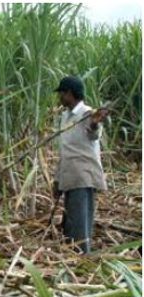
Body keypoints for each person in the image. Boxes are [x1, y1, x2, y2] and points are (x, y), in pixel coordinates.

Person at [53, 76, 109, 254]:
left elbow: (93, 133)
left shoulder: (88, 114)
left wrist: (94, 124)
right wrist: (57, 179)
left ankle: (82, 259)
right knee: (70, 223)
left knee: (79, 225)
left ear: (69, 93)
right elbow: (65, 150)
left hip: (83, 175)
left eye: (62, 93)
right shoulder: (65, 117)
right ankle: (72, 257)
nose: (60, 97)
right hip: (69, 176)